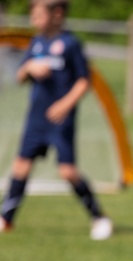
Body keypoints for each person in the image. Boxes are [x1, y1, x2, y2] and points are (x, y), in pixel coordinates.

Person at [0, 0, 113, 241]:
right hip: (36, 119)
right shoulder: (36, 42)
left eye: (39, 15)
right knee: (21, 167)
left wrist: (65, 104)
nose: (34, 20)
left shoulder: (71, 44)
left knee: (67, 172)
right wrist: (29, 67)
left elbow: (84, 81)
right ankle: (6, 219)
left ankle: (99, 217)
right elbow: (20, 77)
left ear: (58, 14)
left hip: (61, 120)